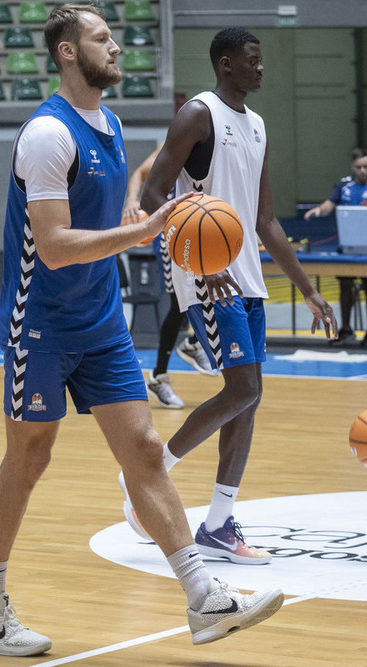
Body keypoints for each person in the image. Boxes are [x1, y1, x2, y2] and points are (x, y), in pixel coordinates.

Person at [0, 7, 283, 657]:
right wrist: (139, 233)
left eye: (114, 34)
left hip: (102, 319)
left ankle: (203, 598)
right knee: (28, 460)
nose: (117, 44)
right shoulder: (47, 136)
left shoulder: (107, 122)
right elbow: (52, 246)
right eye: (101, 37)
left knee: (141, 448)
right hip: (41, 325)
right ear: (67, 55)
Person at [121, 27, 338, 566]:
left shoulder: (258, 125)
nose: (261, 69)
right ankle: (146, 474)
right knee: (241, 387)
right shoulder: (197, 115)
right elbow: (153, 198)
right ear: (225, 63)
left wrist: (309, 290)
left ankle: (218, 524)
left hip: (247, 276)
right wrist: (198, 261)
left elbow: (265, 220)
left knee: (250, 395)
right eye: (253, 60)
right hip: (206, 276)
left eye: (261, 61)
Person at [121, 144, 217, 410]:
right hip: (170, 234)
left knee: (210, 292)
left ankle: (188, 346)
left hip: (197, 228)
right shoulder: (176, 143)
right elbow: (139, 174)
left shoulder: (220, 144)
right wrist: (131, 201)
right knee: (180, 302)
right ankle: (162, 372)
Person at [304, 147, 367, 347]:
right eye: (358, 167)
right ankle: (345, 329)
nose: (362, 170)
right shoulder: (344, 185)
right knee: (345, 286)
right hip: (347, 245)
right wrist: (319, 210)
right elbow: (329, 204)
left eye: (366, 166)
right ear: (352, 167)